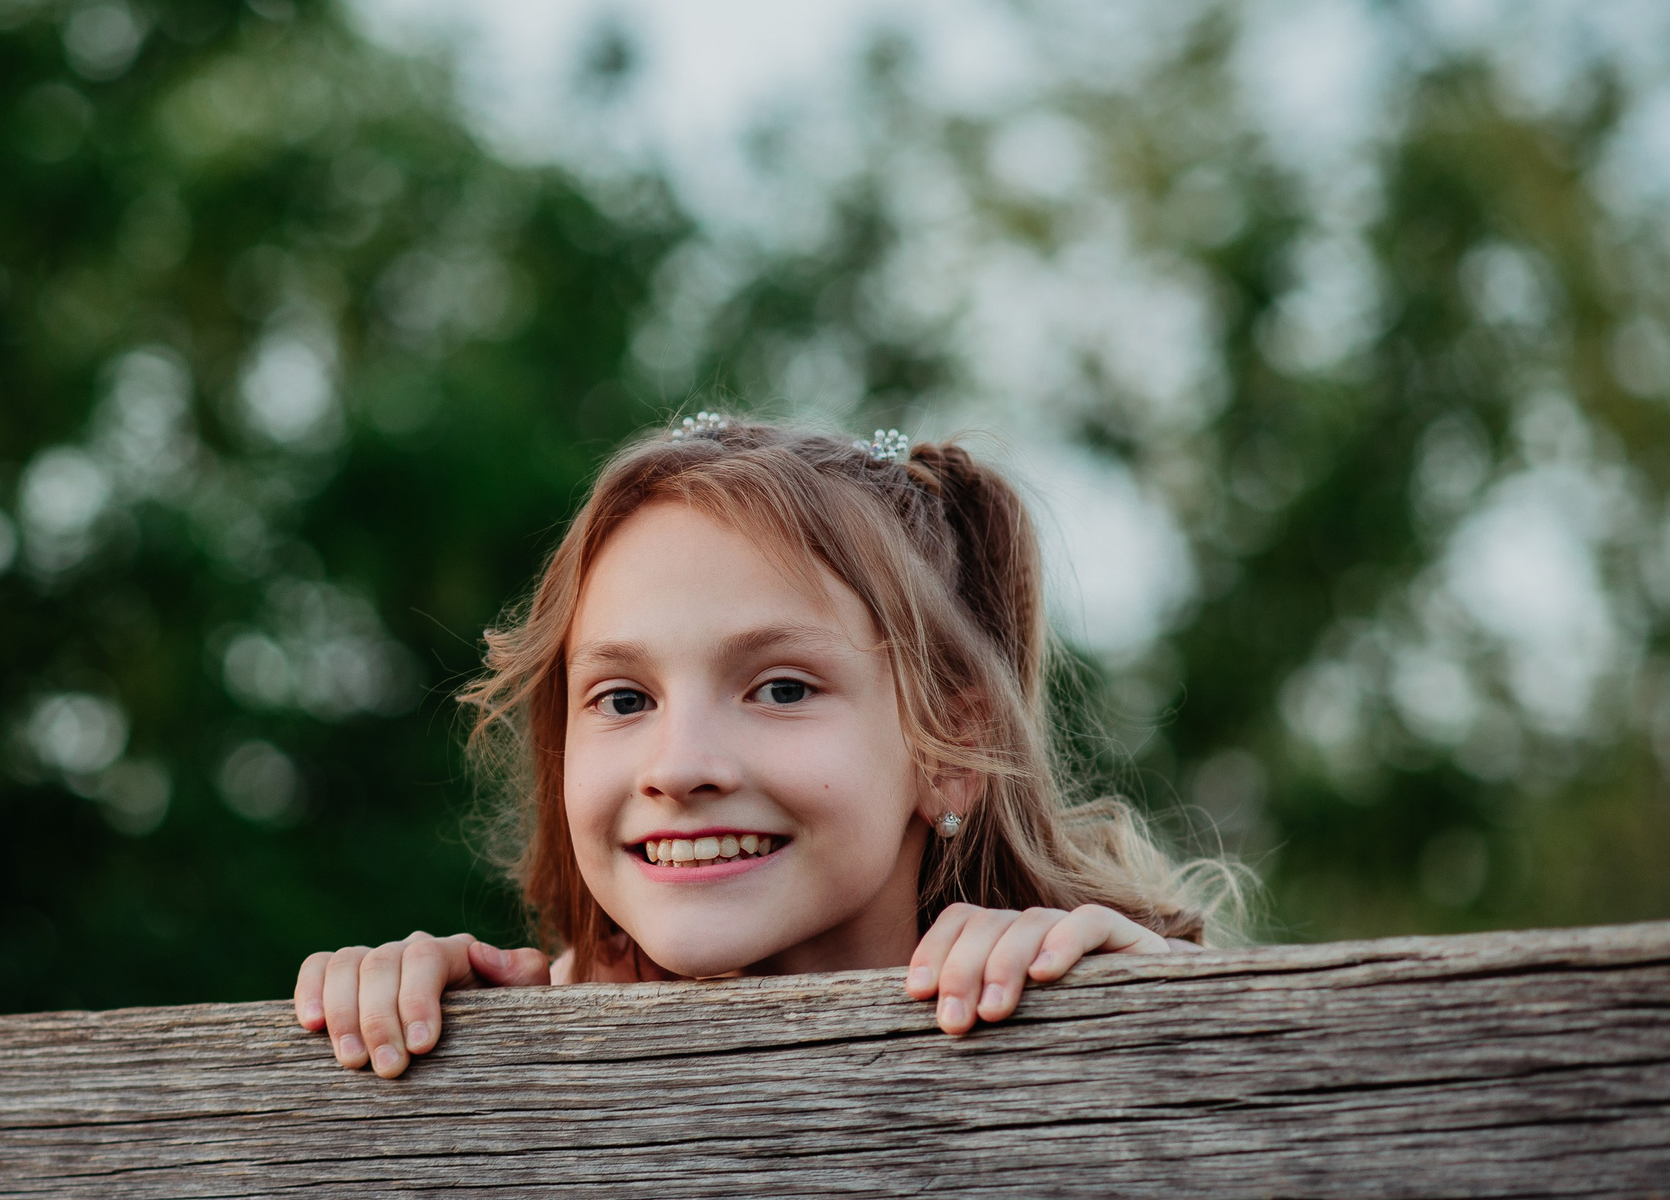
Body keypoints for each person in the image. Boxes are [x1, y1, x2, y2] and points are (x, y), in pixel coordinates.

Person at [294, 414, 1237, 1078]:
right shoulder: (505, 1035)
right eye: (624, 698)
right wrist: (393, 1017)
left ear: (949, 746)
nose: (679, 767)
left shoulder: (1065, 984)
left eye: (781, 689)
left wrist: (1165, 1008)